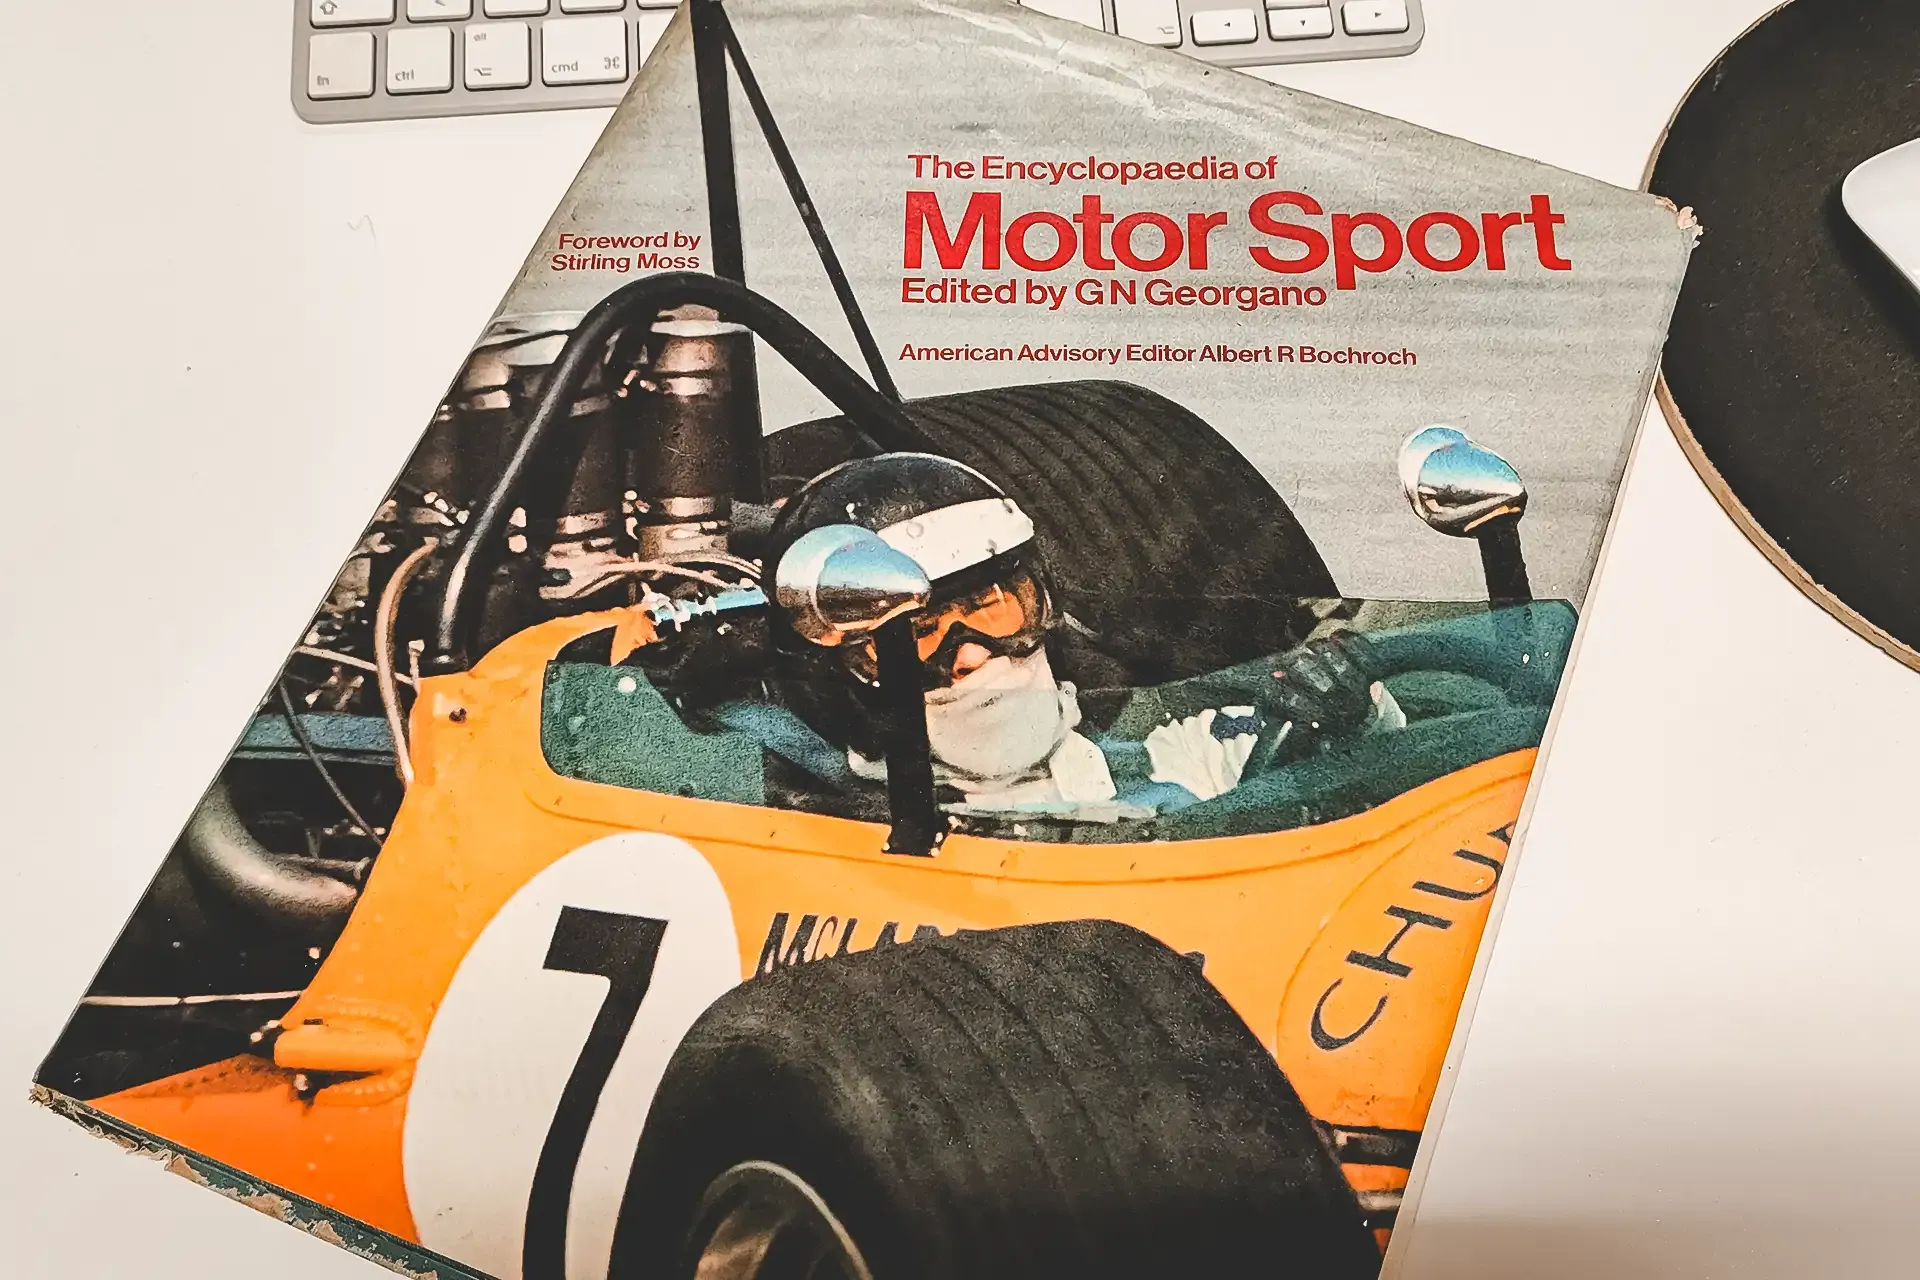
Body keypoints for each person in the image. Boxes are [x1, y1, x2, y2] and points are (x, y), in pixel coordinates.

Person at [764, 453, 1404, 819]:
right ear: (850, 668)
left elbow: (1386, 765)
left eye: (990, 609)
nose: (972, 655)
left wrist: (1351, 707)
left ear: (1042, 606)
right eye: (920, 634)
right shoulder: (829, 830)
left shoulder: (1178, 758)